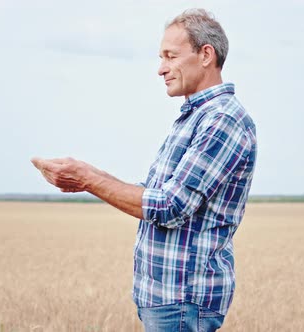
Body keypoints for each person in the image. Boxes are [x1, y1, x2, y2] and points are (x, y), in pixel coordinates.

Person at [31, 8, 257, 332]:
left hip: (182, 301)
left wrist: (87, 179)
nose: (161, 68)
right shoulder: (195, 117)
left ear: (206, 55)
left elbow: (169, 207)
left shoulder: (222, 120)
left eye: (170, 56)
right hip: (166, 300)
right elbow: (156, 193)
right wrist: (85, 175)